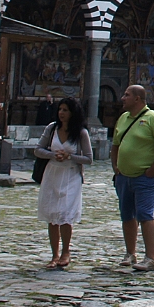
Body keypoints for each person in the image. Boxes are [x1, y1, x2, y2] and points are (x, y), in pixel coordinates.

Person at [110, 84, 154, 272]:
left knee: (145, 215)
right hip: (124, 177)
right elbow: (115, 144)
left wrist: (153, 170)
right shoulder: (123, 118)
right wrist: (115, 166)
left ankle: (150, 258)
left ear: (137, 99)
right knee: (127, 215)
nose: (122, 98)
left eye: (126, 95)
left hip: (144, 177)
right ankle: (130, 253)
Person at [35, 96, 91, 269]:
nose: (61, 113)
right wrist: (53, 155)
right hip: (53, 172)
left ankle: (66, 251)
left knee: (65, 213)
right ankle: (54, 254)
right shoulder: (52, 129)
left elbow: (89, 159)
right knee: (52, 215)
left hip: (71, 174)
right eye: (60, 109)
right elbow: (38, 149)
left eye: (65, 110)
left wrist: (70, 156)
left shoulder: (81, 133)